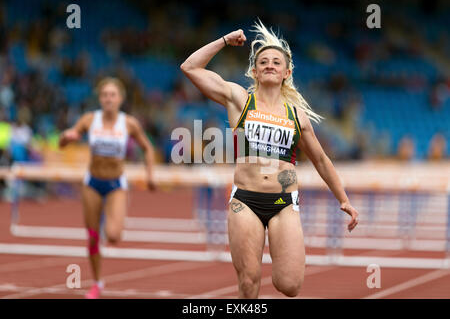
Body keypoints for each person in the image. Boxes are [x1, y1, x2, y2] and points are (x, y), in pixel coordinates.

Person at [180, 20, 359, 298]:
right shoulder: (240, 99)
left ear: (287, 72)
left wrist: (343, 199)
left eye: (277, 62)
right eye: (263, 61)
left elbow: (322, 160)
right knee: (249, 283)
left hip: (282, 203)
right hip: (245, 202)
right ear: (254, 70)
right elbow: (190, 68)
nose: (270, 65)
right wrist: (225, 40)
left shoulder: (297, 116)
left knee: (289, 284)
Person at [59, 77, 156, 299]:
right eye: (104, 95)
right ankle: (97, 282)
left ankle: (110, 218)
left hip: (115, 184)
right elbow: (63, 142)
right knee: (92, 237)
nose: (108, 99)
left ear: (120, 99)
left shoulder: (129, 123)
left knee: (113, 235)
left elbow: (148, 148)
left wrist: (150, 175)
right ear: (100, 98)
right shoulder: (89, 119)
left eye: (113, 95)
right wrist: (67, 137)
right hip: (92, 183)